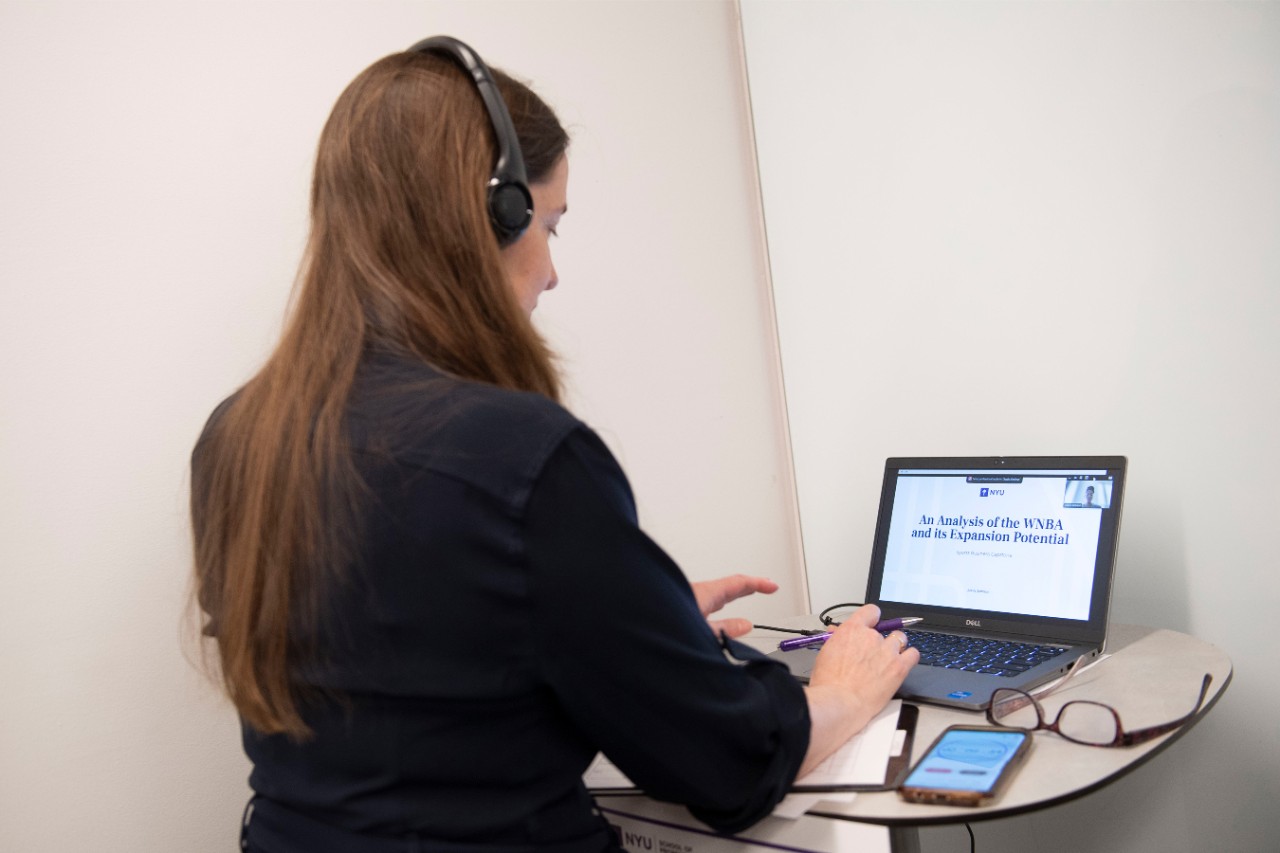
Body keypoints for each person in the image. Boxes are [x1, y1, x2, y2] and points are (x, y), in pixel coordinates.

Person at [190, 37, 917, 853]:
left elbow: (411, 653)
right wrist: (843, 691)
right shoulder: (526, 457)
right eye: (550, 226)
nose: (551, 271)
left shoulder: (236, 438)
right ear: (494, 217)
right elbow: (727, 763)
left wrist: (629, 615)